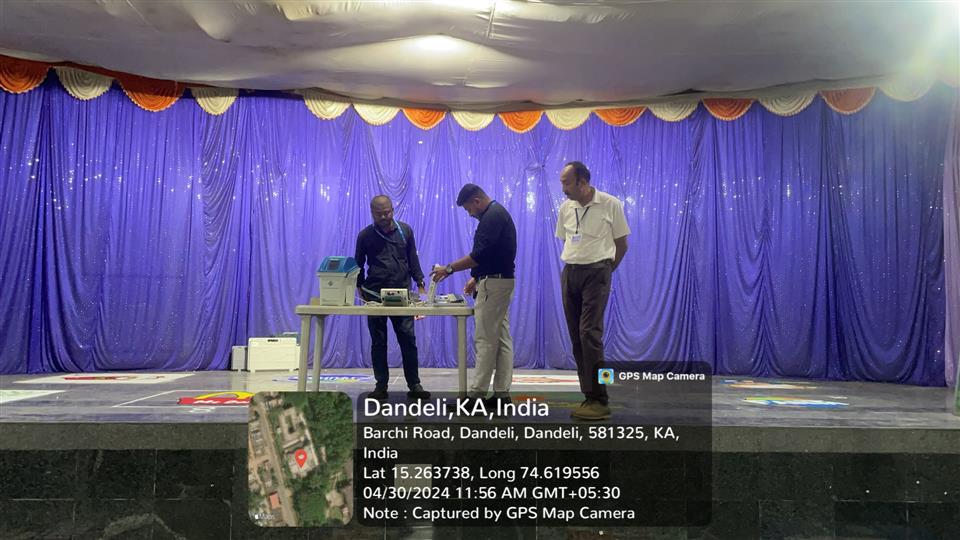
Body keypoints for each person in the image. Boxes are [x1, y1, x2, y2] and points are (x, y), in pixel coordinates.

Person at [430, 184, 517, 408]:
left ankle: (476, 396)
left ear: (477, 201)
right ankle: (502, 395)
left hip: (493, 285)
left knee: (485, 340)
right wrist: (476, 277)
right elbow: (492, 255)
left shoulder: (491, 217)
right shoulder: (498, 214)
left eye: (469, 209)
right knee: (502, 338)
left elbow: (479, 255)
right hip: (501, 280)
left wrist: (448, 269)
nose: (470, 214)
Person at [556, 162, 629, 420]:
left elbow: (622, 244)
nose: (563, 188)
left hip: (597, 272)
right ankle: (588, 396)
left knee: (590, 335)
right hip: (571, 273)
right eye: (562, 182)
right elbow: (567, 240)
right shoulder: (565, 208)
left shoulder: (610, 204)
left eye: (567, 183)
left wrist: (606, 271)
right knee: (577, 337)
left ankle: (601, 398)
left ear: (583, 183)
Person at [355, 195, 430, 400]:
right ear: (372, 213)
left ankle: (414, 385)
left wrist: (421, 286)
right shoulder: (365, 236)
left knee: (408, 340)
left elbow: (413, 260)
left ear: (393, 210)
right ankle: (381, 386)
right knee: (378, 342)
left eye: (387, 212)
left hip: (401, 295)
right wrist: (360, 289)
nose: (384, 217)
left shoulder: (405, 231)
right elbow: (358, 264)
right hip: (374, 296)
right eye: (379, 214)